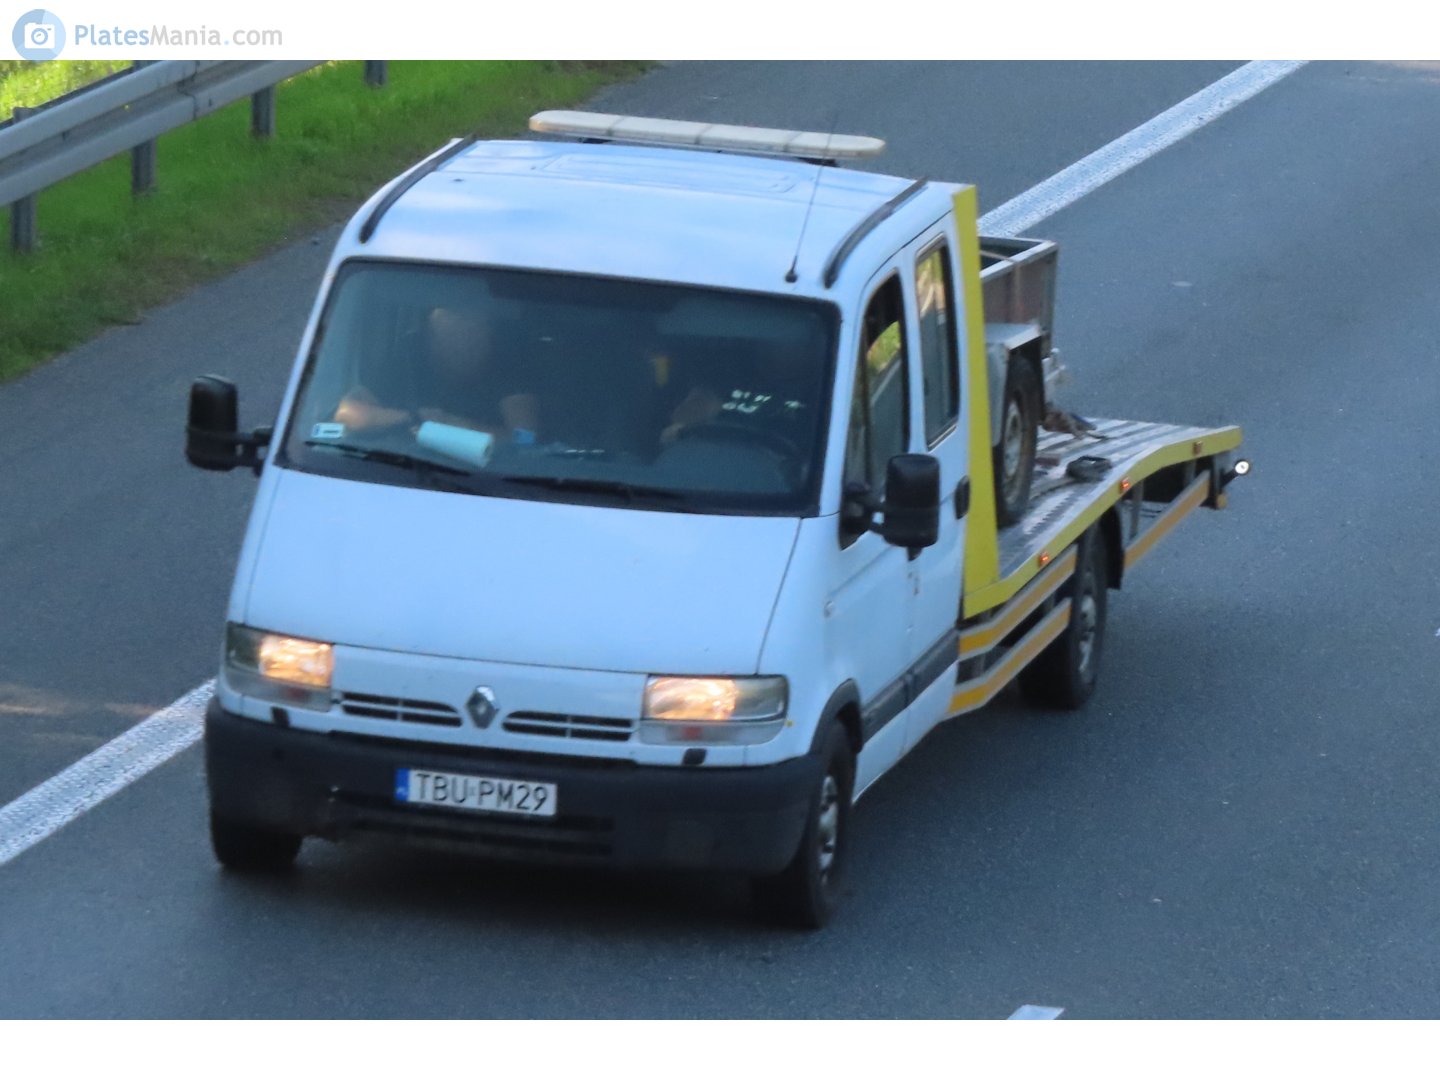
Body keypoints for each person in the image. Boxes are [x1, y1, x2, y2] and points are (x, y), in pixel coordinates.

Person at [333, 307, 539, 443]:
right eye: (450, 317)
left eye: (471, 322)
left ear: (489, 330)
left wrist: (454, 425)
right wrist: (413, 417)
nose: (462, 333)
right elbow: (345, 414)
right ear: (430, 326)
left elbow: (525, 438)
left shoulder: (507, 362)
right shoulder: (410, 354)